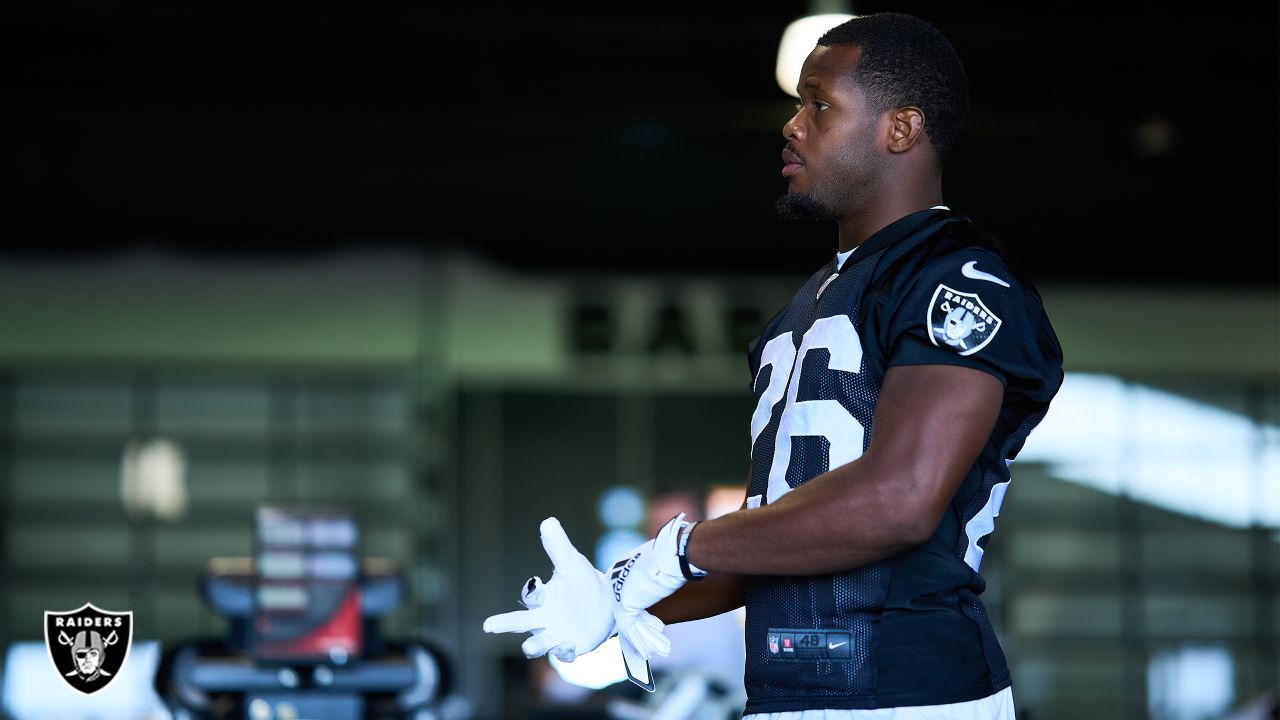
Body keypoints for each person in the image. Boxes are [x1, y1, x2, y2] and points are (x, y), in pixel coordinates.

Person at [485, 11, 1063, 719]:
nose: (792, 126)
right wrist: (618, 596)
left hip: (915, 695)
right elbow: (774, 534)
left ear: (901, 129)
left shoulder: (961, 278)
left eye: (819, 105)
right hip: (786, 693)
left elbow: (900, 498)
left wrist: (680, 549)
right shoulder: (807, 304)